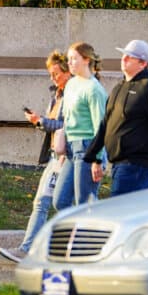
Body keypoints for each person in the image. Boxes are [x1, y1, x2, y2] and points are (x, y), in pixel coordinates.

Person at [85, 39, 148, 196]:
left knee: (120, 207)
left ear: (143, 64)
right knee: (132, 208)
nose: (124, 59)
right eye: (124, 55)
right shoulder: (119, 88)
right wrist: (92, 154)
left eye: (130, 57)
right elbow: (106, 124)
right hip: (118, 163)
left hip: (136, 164)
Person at [0, 50, 70, 263]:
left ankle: (29, 249)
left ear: (67, 72)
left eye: (56, 74)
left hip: (65, 157)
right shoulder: (57, 94)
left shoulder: (72, 95)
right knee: (45, 202)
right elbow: (53, 124)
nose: (52, 78)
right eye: (51, 74)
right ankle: (31, 249)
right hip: (55, 155)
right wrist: (39, 121)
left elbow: (68, 125)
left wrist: (41, 121)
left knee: (51, 203)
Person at [53, 41, 108, 210]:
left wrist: (97, 160)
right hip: (71, 148)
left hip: (88, 148)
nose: (69, 63)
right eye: (68, 59)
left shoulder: (94, 89)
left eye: (73, 58)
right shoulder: (71, 84)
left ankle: (95, 226)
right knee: (60, 201)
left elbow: (101, 126)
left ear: (86, 60)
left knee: (84, 205)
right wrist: (64, 148)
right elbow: (68, 118)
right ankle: (80, 226)